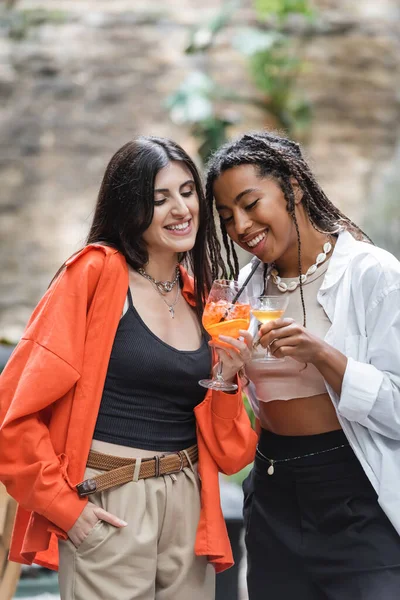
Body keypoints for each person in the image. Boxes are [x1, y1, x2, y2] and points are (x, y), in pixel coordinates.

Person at [0, 136, 257, 600]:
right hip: (113, 500)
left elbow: (234, 453)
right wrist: (65, 508)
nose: (180, 209)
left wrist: (225, 380)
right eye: (159, 199)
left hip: (189, 501)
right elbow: (12, 411)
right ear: (129, 209)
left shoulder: (201, 301)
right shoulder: (95, 275)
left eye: (186, 192)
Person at [205, 130, 400, 600]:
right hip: (274, 489)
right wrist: (226, 377)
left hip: (355, 490)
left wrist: (324, 355)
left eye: (251, 204)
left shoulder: (372, 274)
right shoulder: (247, 289)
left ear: (293, 186)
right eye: (228, 216)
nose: (240, 226)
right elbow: (236, 406)